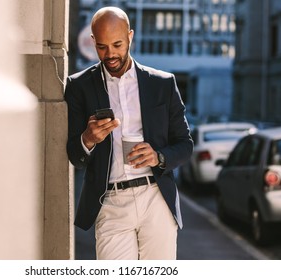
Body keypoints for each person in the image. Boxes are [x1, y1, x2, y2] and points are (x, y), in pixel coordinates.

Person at [64, 6, 193, 260]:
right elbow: (74, 156)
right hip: (110, 201)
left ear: (130, 37)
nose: (110, 54)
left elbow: (185, 145)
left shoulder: (162, 84)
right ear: (92, 42)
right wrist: (88, 138)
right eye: (102, 47)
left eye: (117, 44)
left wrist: (158, 157)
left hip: (155, 197)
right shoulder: (79, 87)